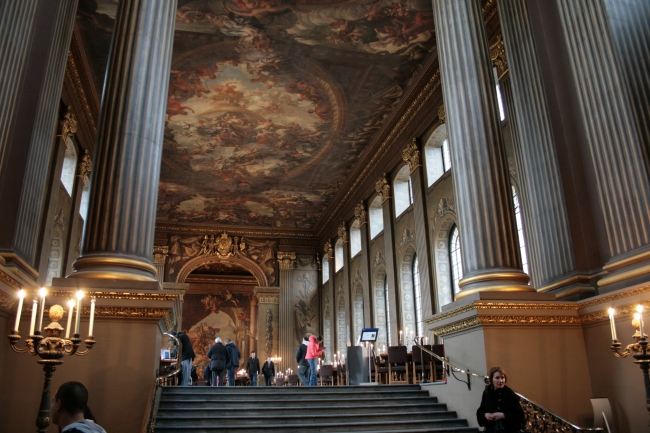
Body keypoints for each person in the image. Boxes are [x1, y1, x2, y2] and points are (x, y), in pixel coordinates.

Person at [476, 366, 525, 433]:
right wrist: (485, 415)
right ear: (492, 379)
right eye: (497, 378)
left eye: (502, 378)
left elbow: (520, 417)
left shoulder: (509, 394)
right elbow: (481, 411)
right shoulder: (487, 392)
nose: (501, 381)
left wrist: (503, 415)